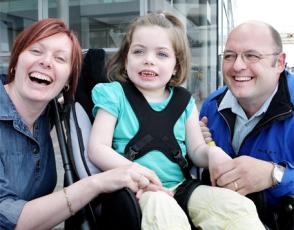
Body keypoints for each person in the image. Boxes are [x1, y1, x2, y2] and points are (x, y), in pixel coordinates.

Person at [88, 12, 264, 230]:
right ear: (126, 60)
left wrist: (211, 152)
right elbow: (97, 148)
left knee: (236, 207)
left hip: (181, 186)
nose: (149, 59)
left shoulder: (183, 101)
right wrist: (136, 172)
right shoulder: (114, 95)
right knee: (163, 213)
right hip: (135, 188)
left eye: (161, 54)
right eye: (138, 51)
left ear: (176, 66)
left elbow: (196, 150)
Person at [0, 18, 165, 230]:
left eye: (60, 58)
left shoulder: (48, 111)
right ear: (16, 60)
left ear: (67, 80)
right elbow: (6, 218)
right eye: (36, 51)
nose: (47, 62)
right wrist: (98, 182)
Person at [199, 21, 294, 227]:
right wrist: (198, 148)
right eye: (229, 56)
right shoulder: (211, 106)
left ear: (279, 62)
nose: (237, 66)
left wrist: (274, 175)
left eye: (252, 56)